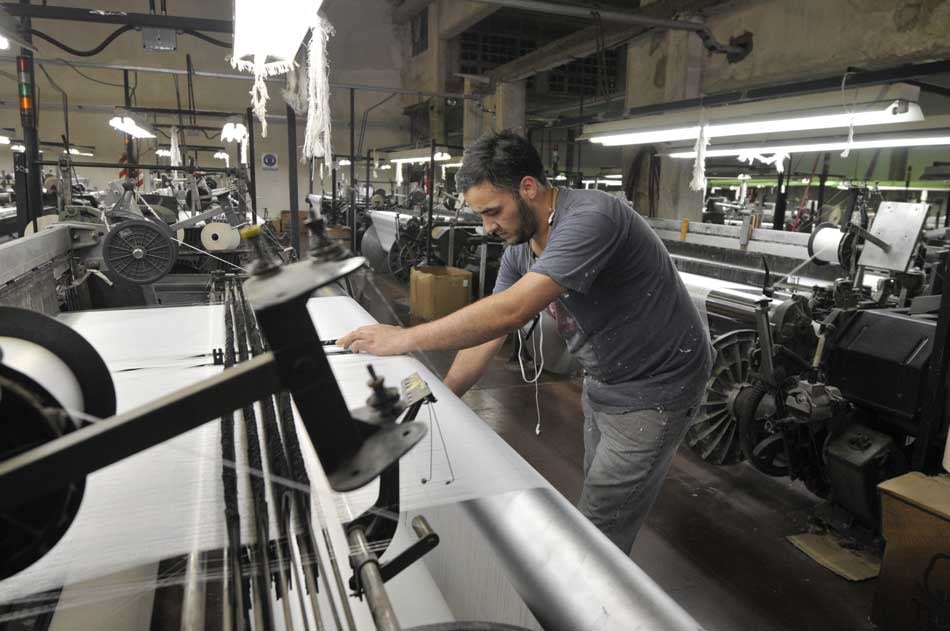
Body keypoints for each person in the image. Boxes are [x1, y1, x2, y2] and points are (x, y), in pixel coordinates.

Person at [339, 131, 713, 554]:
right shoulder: (522, 249)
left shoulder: (592, 219)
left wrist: (402, 339)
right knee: (600, 488)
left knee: (602, 521)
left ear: (529, 188)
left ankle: (593, 604)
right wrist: (437, 402)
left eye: (493, 211)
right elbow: (488, 333)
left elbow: (510, 311)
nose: (488, 226)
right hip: (607, 379)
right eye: (481, 215)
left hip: (658, 384)